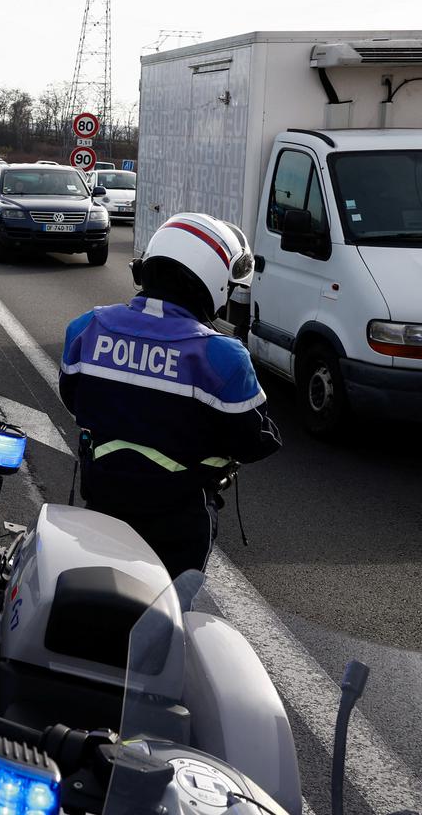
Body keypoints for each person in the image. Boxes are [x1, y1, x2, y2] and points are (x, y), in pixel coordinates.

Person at [58, 213, 281, 577]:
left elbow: (73, 398)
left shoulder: (87, 326)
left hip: (102, 500)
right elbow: (254, 442)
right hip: (179, 522)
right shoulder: (223, 355)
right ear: (213, 283)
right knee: (167, 619)